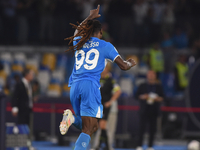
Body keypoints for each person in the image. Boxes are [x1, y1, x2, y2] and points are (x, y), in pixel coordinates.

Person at [59, 5, 136, 150]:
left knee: (91, 126)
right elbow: (123, 66)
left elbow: (77, 31)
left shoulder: (79, 41)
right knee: (88, 129)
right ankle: (72, 120)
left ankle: (72, 119)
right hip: (90, 86)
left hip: (75, 86)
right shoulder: (105, 45)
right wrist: (130, 63)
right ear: (101, 32)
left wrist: (89, 17)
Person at [93, 62, 121, 150]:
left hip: (105, 106)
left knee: (103, 126)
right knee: (95, 126)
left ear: (108, 69)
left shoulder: (111, 80)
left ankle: (105, 146)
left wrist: (110, 101)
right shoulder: (96, 79)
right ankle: (100, 145)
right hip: (96, 105)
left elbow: (118, 91)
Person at [135, 70, 164, 150]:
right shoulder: (142, 85)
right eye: (149, 74)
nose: (151, 76)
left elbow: (162, 97)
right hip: (144, 110)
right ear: (147, 76)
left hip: (154, 110)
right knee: (141, 129)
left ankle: (150, 146)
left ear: (155, 76)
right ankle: (139, 145)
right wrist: (143, 97)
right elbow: (136, 95)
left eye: (152, 74)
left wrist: (157, 98)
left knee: (152, 129)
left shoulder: (158, 86)